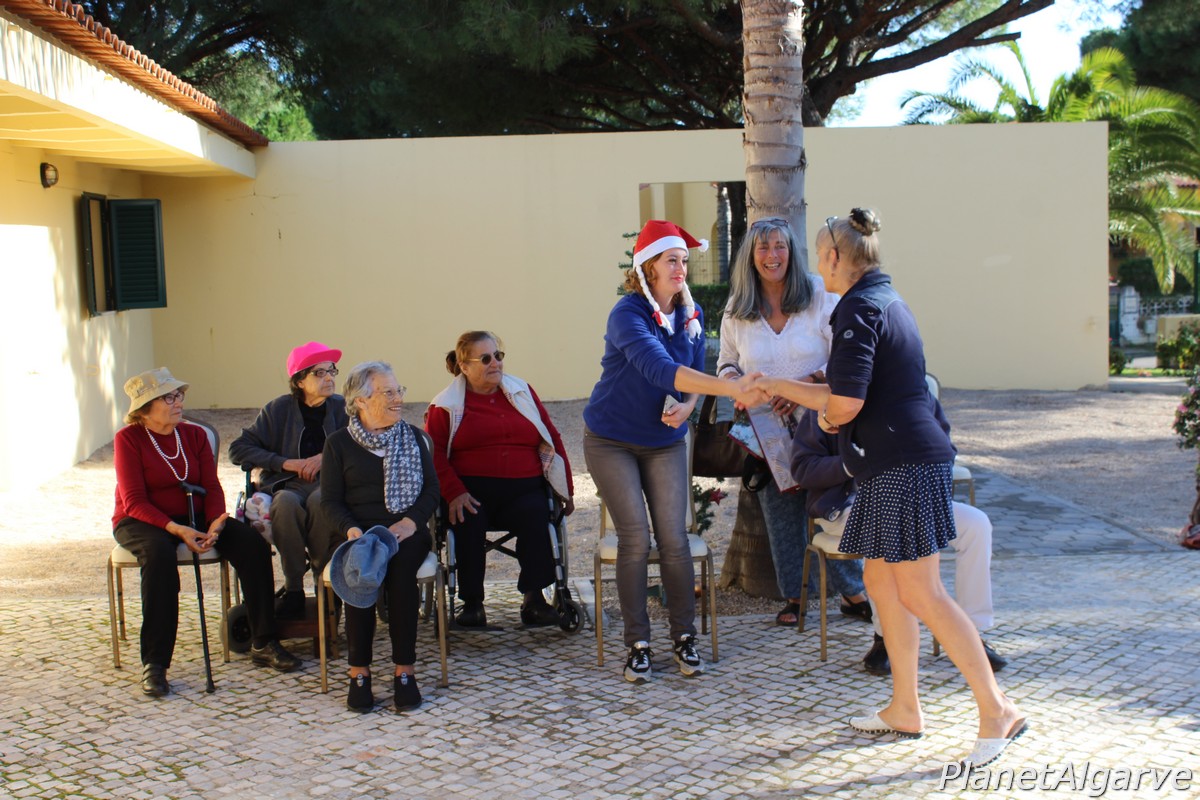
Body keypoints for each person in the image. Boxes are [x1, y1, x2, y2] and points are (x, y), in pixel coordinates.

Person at [755, 208, 1025, 767]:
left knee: (923, 592)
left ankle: (997, 710)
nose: (815, 266)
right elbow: (852, 395)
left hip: (903, 463)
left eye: (818, 255)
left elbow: (845, 404)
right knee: (880, 579)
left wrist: (791, 394)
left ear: (835, 257)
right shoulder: (885, 298)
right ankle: (905, 707)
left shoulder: (859, 310)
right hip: (889, 464)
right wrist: (804, 397)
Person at [584, 219, 768, 683]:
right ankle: (638, 644)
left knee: (674, 539)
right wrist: (733, 388)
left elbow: (692, 370)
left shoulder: (691, 313)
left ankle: (685, 637)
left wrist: (688, 405)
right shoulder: (627, 314)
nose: (681, 267)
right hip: (610, 441)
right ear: (647, 266)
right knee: (634, 539)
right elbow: (660, 368)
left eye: (684, 260)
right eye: (671, 260)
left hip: (664, 442)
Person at [717, 216, 869, 627]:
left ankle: (854, 593)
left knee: (830, 506)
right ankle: (795, 597)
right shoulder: (738, 307)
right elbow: (726, 365)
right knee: (781, 514)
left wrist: (806, 383)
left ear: (792, 252)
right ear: (751, 256)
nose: (772, 255)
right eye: (763, 247)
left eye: (780, 246)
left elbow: (846, 357)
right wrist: (742, 389)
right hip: (767, 429)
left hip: (824, 425)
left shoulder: (820, 296)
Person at [113, 367, 300, 698]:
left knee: (252, 545)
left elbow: (211, 486)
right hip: (142, 520)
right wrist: (177, 530)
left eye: (179, 395)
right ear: (145, 409)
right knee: (159, 557)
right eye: (168, 398)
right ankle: (155, 663)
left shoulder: (194, 435)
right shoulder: (129, 439)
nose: (178, 402)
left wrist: (216, 522)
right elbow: (134, 500)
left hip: (196, 514)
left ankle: (263, 640)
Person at [789, 407, 1008, 676]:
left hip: (914, 496)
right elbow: (802, 468)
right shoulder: (828, 403)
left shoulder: (911, 392)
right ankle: (886, 638)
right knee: (886, 522)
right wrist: (851, 463)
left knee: (976, 524)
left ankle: (972, 635)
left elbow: (945, 448)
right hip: (846, 505)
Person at [426, 331, 574, 628]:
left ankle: (534, 600)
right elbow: (434, 454)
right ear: (464, 366)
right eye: (485, 359)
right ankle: (472, 605)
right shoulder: (445, 405)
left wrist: (566, 488)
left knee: (537, 514)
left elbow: (551, 436)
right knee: (466, 518)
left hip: (524, 488)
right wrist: (454, 492)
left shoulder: (521, 391)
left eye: (498, 356)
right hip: (471, 491)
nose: (495, 363)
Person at [321, 361, 439, 713]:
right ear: (360, 400)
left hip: (405, 531)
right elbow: (330, 502)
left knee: (401, 573)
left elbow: (432, 491)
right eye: (388, 392)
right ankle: (359, 672)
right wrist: (350, 529)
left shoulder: (413, 437)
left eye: (398, 390)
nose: (398, 398)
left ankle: (405, 670)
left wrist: (411, 522)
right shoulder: (338, 444)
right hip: (358, 529)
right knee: (361, 568)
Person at [229, 341, 349, 619]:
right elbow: (238, 449)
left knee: (322, 502)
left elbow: (360, 443)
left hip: (328, 484)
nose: (329, 378)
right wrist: (285, 463)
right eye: (319, 373)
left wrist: (325, 457)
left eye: (331, 370)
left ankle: (323, 581)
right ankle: (294, 587)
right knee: (283, 504)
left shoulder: (343, 408)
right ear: (299, 381)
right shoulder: (278, 409)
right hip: (286, 484)